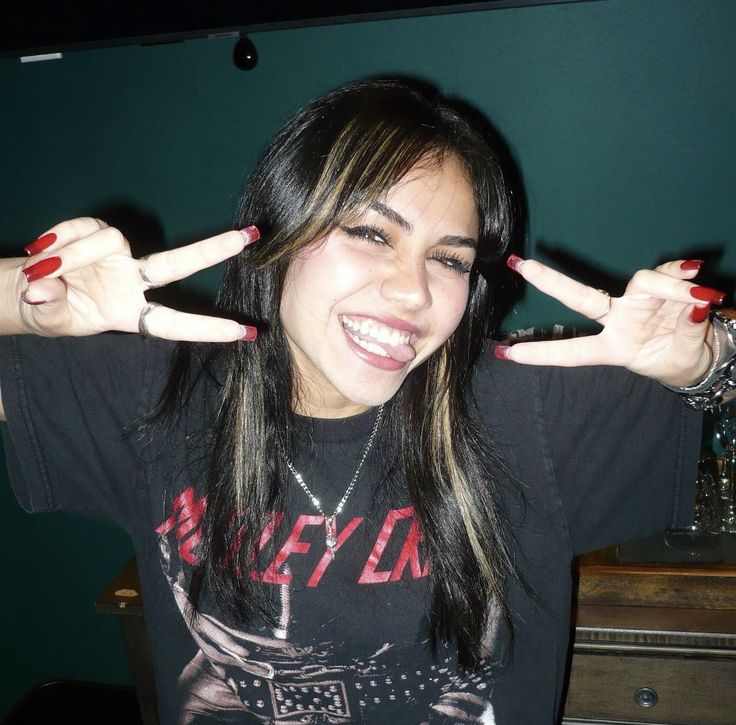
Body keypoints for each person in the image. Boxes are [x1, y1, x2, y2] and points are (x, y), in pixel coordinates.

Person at [0, 79, 729, 724]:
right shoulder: (158, 396)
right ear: (281, 231)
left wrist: (710, 358)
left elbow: (712, 370)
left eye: (449, 258)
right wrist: (26, 302)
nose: (413, 291)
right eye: (370, 232)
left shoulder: (525, 414)